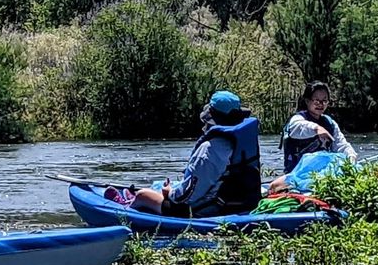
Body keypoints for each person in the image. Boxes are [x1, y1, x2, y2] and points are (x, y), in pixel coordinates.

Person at [130, 91, 262, 218]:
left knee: (143, 195)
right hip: (239, 204)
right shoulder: (240, 143)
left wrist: (170, 193)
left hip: (207, 210)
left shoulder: (209, 149)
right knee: (158, 185)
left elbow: (186, 197)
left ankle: (127, 212)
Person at [280, 81, 357, 173]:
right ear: (307, 101)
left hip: (322, 174)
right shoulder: (297, 120)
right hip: (296, 174)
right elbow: (298, 128)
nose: (321, 104)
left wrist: (351, 156)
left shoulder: (330, 123)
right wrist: (316, 129)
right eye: (316, 101)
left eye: (324, 101)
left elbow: (341, 145)